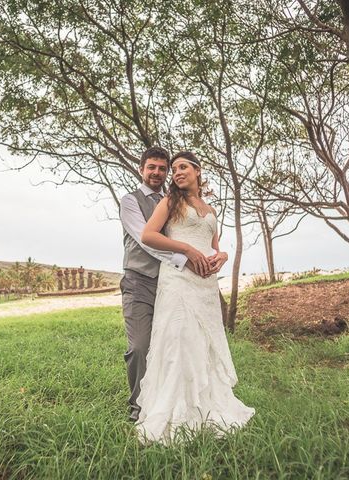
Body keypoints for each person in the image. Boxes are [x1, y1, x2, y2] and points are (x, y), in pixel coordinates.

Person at [136, 150, 255, 444]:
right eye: (174, 169)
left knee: (203, 343)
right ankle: (176, 414)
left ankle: (205, 407)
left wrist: (222, 256)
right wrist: (186, 250)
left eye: (183, 167)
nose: (176, 173)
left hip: (205, 286)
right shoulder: (170, 202)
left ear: (198, 171)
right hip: (177, 280)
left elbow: (213, 246)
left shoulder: (211, 210)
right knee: (180, 339)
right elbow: (148, 235)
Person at [119, 147, 212, 423]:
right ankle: (138, 406)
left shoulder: (173, 201)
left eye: (163, 169)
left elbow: (196, 233)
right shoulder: (130, 201)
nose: (157, 173)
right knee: (140, 346)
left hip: (170, 284)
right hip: (139, 282)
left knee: (173, 345)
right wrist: (185, 257)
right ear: (141, 169)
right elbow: (143, 238)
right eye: (152, 168)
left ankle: (173, 401)